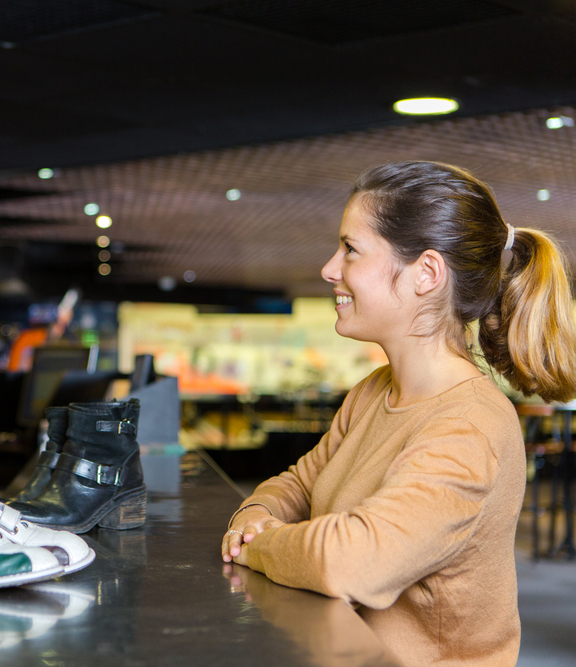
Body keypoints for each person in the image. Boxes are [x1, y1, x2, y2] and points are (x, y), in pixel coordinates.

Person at [221, 161, 576, 666]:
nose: (329, 268)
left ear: (426, 274)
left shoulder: (469, 425)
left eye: (350, 249)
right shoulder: (372, 393)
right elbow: (297, 486)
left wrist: (261, 546)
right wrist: (253, 518)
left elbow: (354, 562)